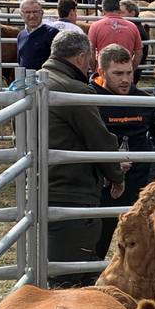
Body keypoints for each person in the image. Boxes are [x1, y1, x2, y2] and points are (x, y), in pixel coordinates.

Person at [40, 30, 125, 287]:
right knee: (71, 271)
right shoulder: (73, 91)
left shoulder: (36, 81)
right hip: (71, 189)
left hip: (41, 184)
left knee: (48, 261)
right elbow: (99, 141)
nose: (90, 64)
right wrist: (116, 175)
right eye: (89, 58)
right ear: (79, 57)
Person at [93, 43, 155, 258]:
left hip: (138, 184)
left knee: (140, 244)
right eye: (117, 73)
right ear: (101, 71)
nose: (124, 79)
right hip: (102, 184)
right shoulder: (88, 98)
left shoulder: (143, 101)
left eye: (129, 73)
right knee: (98, 242)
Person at [87, 0, 142, 71]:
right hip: (124, 72)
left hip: (104, 72)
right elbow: (139, 53)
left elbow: (91, 51)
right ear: (119, 9)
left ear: (103, 9)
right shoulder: (132, 26)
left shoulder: (95, 26)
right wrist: (130, 69)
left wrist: (94, 69)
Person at [16, 0, 58, 72]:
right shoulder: (21, 35)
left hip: (45, 81)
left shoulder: (52, 33)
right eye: (28, 12)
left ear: (42, 13)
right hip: (26, 81)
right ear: (21, 15)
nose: (32, 16)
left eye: (35, 12)